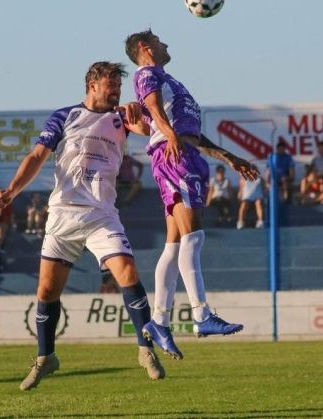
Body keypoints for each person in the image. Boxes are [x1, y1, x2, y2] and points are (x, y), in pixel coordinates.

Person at [0, 61, 168, 389]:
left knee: (128, 273)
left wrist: (142, 117)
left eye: (118, 84)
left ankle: (145, 349)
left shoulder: (121, 117)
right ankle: (46, 357)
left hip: (102, 214)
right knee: (46, 290)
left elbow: (152, 131)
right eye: (110, 84)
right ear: (92, 85)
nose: (116, 90)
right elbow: (36, 157)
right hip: (62, 215)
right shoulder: (64, 116)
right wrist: (12, 190)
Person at [125, 30, 259, 359]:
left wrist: (231, 158)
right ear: (145, 48)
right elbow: (153, 108)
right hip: (175, 158)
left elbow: (193, 134)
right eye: (160, 41)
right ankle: (201, 315)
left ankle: (158, 320)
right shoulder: (147, 75)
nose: (166, 44)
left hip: (187, 154)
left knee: (173, 244)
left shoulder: (171, 82)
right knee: (193, 235)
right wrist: (169, 135)